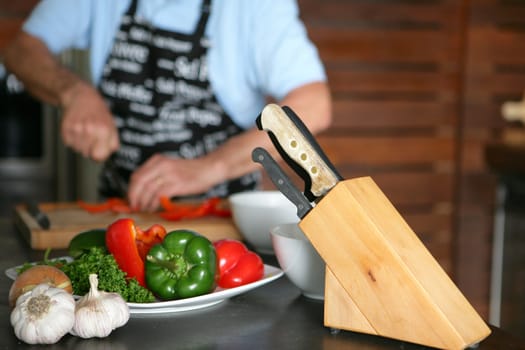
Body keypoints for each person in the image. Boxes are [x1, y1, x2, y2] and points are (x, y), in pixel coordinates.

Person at [2, 0, 332, 211]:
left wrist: (208, 167)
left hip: (223, 221)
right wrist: (73, 92)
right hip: (121, 212)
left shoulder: (255, 7)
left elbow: (314, 104)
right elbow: (21, 50)